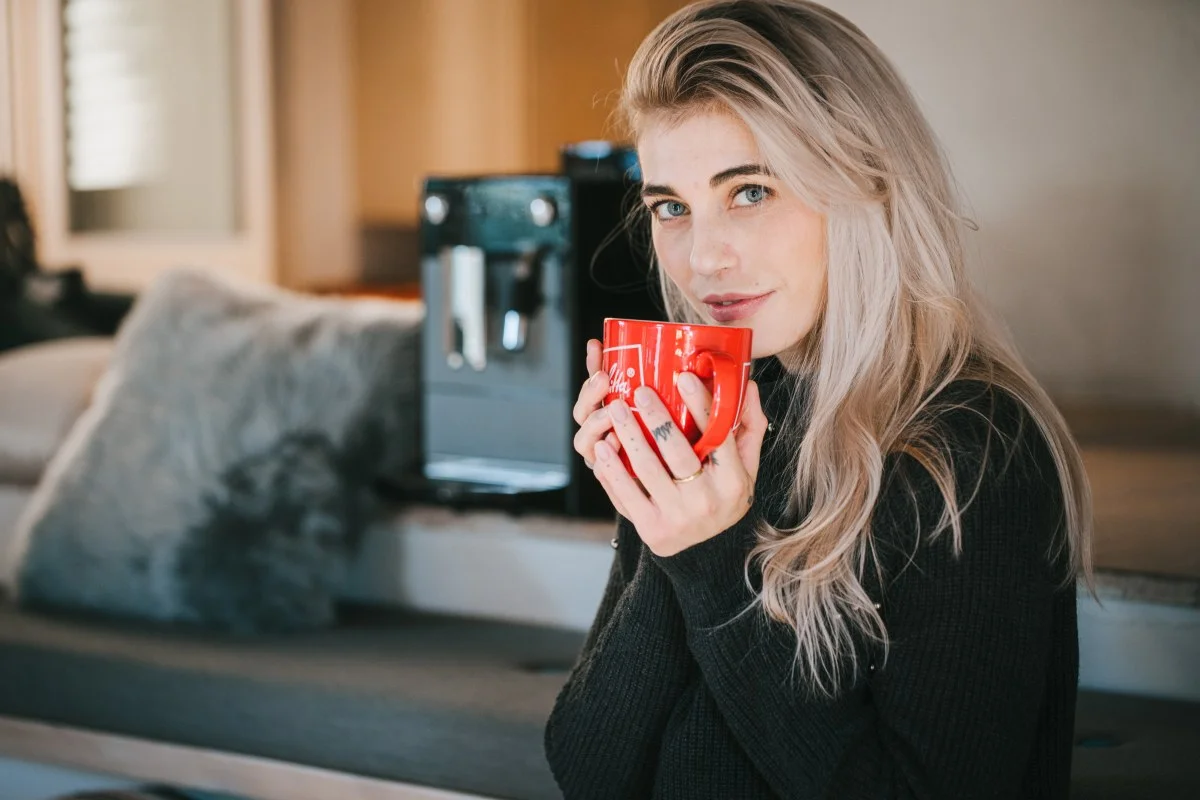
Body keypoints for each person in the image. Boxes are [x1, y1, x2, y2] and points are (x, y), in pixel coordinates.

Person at [544, 1, 1093, 798]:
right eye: (671, 207)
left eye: (751, 191)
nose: (702, 257)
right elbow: (589, 770)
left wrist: (709, 557)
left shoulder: (969, 453)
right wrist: (671, 534)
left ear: (869, 185)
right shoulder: (714, 414)